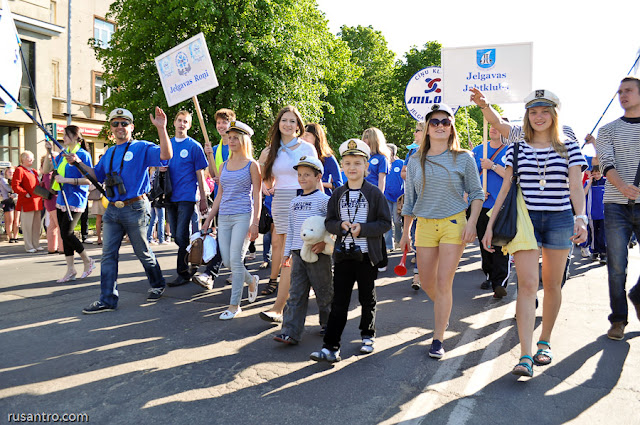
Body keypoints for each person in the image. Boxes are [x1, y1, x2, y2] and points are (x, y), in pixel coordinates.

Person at [475, 89, 587, 377]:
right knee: (526, 286)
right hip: (524, 221)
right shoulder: (518, 146)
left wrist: (582, 218)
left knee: (552, 285)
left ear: (554, 115)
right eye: (533, 111)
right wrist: (489, 224)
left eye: (544, 111)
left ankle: (545, 342)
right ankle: (524, 355)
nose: (538, 117)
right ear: (527, 116)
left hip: (560, 219)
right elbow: (506, 188)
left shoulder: (570, 146)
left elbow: (575, 186)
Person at [399, 104, 484, 360]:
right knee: (426, 282)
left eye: (444, 122)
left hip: (453, 224)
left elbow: (478, 194)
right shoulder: (414, 161)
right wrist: (405, 233)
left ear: (451, 128)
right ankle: (444, 312)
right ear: (426, 129)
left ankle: (438, 338)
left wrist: (472, 224)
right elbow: (410, 202)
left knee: (444, 282)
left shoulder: (464, 158)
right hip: (424, 226)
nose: (439, 126)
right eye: (433, 122)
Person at [73, 107, 172, 313]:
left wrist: (162, 129)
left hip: (135, 207)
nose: (120, 127)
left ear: (131, 126)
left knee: (142, 252)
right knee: (108, 255)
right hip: (112, 210)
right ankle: (107, 299)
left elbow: (166, 155)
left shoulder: (142, 147)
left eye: (124, 123)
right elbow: (96, 175)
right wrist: (79, 162)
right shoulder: (109, 152)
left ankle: (157, 283)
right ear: (111, 128)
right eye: (116, 123)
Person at [310, 139, 391, 363]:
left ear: (366, 166)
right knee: (340, 301)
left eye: (357, 163)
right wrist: (341, 226)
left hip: (367, 256)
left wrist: (363, 229)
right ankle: (331, 347)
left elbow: (386, 223)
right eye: (347, 163)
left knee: (367, 298)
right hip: (344, 256)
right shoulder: (337, 194)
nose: (352, 167)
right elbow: (329, 222)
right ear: (342, 166)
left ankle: (367, 335)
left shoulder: (374, 194)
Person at [258, 105, 318, 323]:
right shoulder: (271, 149)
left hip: (302, 197)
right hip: (281, 199)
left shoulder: (307, 148)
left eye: (293, 121)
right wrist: (263, 162)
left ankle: (279, 307)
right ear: (278, 123)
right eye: (284, 120)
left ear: (298, 125)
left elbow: (316, 178)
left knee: (293, 253)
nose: (288, 124)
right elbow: (267, 182)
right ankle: (287, 302)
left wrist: (318, 205)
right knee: (288, 253)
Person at [591, 76, 640, 340]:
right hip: (615, 206)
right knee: (617, 266)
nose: (623, 95)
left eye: (629, 91)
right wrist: (622, 187)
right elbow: (606, 163)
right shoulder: (608, 130)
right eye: (620, 91)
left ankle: (637, 295)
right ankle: (618, 319)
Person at [202, 120, 260, 319]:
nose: (231, 140)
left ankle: (235, 305)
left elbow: (257, 196)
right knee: (227, 261)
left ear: (244, 140)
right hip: (224, 216)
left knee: (235, 259)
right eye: (229, 137)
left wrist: (255, 222)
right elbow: (219, 195)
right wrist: (209, 219)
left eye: (235, 137)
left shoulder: (253, 165)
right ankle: (251, 280)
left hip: (243, 215)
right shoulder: (223, 165)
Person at [274, 156, 332, 345]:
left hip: (318, 253)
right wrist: (286, 253)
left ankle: (329, 324)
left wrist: (324, 244)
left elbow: (331, 225)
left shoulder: (324, 200)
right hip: (298, 254)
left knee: (323, 291)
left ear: (318, 177)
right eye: (299, 175)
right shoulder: (294, 202)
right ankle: (290, 332)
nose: (302, 178)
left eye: (307, 175)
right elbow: (291, 229)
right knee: (296, 292)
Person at [43, 126, 96, 282]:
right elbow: (47, 170)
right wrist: (48, 152)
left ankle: (87, 260)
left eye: (66, 135)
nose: (63, 137)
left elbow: (89, 179)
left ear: (75, 137)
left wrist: (66, 180)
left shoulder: (83, 155)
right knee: (63, 233)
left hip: (75, 199)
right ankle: (70, 269)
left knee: (67, 233)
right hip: (61, 199)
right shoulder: (62, 154)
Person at [162, 110, 209, 287]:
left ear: (189, 126)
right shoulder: (167, 144)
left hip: (187, 197)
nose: (182, 124)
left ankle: (183, 273)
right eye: (179, 120)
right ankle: (193, 256)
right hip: (170, 196)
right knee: (176, 236)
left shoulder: (194, 146)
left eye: (185, 122)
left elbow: (200, 175)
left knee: (181, 234)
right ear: (174, 123)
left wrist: (203, 199)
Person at [192, 109, 236, 290]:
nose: (221, 126)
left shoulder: (238, 146)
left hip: (235, 198)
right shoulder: (215, 149)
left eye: (224, 122)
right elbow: (211, 173)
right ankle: (215, 273)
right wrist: (209, 154)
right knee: (224, 239)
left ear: (231, 124)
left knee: (230, 240)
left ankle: (214, 273)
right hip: (220, 198)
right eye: (218, 123)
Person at [471, 122, 510, 298]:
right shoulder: (479, 150)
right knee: (484, 244)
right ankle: (488, 276)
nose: (493, 128)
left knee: (501, 243)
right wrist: (478, 191)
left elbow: (512, 176)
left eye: (497, 125)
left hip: (502, 206)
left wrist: (492, 166)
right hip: (483, 205)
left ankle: (500, 282)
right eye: (491, 125)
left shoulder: (510, 150)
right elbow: (470, 176)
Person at [11, 151, 43, 252]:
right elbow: (15, 186)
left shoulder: (34, 170)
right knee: (27, 225)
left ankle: (36, 244)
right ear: (23, 159)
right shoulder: (19, 170)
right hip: (27, 201)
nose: (31, 160)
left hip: (37, 200)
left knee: (37, 225)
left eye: (32, 158)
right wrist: (25, 193)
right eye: (29, 158)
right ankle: (29, 246)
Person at [301, 123, 342, 195]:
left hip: (323, 198)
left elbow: (339, 184)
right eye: (302, 136)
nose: (302, 139)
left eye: (306, 135)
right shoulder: (300, 157)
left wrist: (320, 184)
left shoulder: (328, 158)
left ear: (316, 137)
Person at [582, 163, 606, 264]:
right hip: (591, 213)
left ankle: (603, 253)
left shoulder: (606, 182)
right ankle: (595, 252)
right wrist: (590, 183)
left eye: (598, 173)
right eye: (594, 173)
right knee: (593, 233)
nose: (596, 175)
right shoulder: (588, 182)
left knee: (603, 234)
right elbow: (583, 194)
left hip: (604, 213)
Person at [383, 143, 404, 251]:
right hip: (386, 196)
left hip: (398, 197)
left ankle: (398, 241)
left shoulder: (400, 163)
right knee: (387, 220)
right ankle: (389, 245)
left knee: (396, 221)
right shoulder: (385, 163)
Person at [362, 127, 390, 193]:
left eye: (367, 137)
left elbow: (382, 180)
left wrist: (379, 198)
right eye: (364, 137)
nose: (364, 139)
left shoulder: (381, 158)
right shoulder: (362, 156)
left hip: (372, 193)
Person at [1, 167, 20, 243]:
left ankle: (16, 236)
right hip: (8, 201)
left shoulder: (17, 180)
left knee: (17, 220)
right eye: (9, 172)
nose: (11, 174)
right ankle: (10, 237)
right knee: (9, 220)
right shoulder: (3, 180)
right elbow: (8, 189)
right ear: (6, 173)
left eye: (13, 172)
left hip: (16, 201)